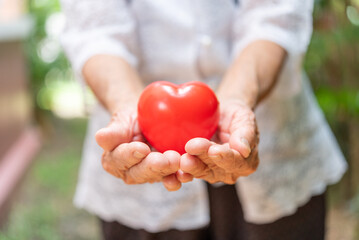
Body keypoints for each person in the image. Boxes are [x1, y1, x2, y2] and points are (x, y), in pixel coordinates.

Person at [60, 0, 347, 239]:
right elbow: (95, 31)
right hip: (142, 193)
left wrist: (238, 99)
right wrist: (126, 107)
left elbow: (274, 15)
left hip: (274, 154)